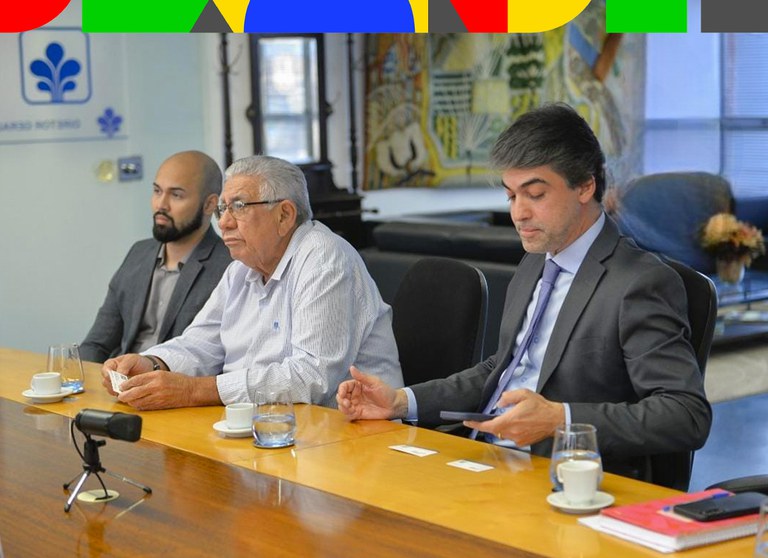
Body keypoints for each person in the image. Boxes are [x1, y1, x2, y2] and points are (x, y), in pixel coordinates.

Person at [337, 103, 712, 482]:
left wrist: (560, 420)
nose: (519, 213)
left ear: (585, 186)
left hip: (562, 475)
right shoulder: (535, 261)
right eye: (511, 196)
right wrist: (400, 401)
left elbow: (686, 414)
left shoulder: (640, 282)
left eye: (535, 194)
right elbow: (500, 369)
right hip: (483, 456)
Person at [100, 155, 403, 410]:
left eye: (240, 207)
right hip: (268, 426)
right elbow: (201, 343)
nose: (224, 222)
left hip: (348, 435)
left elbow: (311, 377)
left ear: (284, 215)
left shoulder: (324, 258)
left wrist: (194, 390)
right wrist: (152, 363)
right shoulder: (240, 270)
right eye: (223, 209)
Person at [80, 150, 232, 363]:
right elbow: (97, 343)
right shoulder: (138, 253)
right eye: (157, 191)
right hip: (118, 377)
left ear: (209, 204)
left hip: (176, 380)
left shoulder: (229, 265)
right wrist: (81, 378)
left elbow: (217, 360)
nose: (161, 205)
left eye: (176, 195)